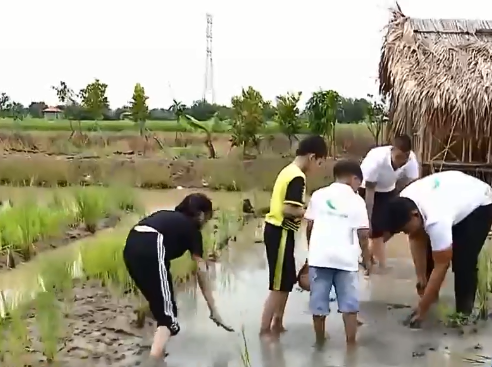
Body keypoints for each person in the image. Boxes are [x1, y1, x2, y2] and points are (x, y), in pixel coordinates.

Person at [123, 193, 231, 366]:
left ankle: (156, 346)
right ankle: (153, 361)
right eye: (208, 218)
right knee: (169, 316)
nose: (207, 223)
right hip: (151, 244)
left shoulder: (170, 217)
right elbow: (201, 272)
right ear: (202, 215)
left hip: (130, 247)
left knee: (159, 304)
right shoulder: (193, 230)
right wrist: (214, 310)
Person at [385, 171, 492, 327]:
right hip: (450, 195)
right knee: (430, 248)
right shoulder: (404, 202)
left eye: (405, 229)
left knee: (463, 261)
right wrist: (421, 277)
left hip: (479, 203)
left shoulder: (436, 220)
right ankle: (431, 299)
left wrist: (422, 309)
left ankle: (463, 314)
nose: (405, 233)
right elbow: (416, 237)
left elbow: (442, 264)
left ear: (415, 215)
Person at [260, 135, 328, 338]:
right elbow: (289, 208)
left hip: (281, 231)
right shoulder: (297, 176)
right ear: (312, 157)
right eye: (320, 163)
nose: (319, 168)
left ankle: (278, 323)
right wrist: (311, 212)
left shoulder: (289, 171)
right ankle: (265, 330)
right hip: (279, 230)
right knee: (278, 283)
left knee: (286, 280)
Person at [304, 160, 371, 345]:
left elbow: (309, 226)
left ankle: (319, 342)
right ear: (354, 178)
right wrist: (367, 260)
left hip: (320, 258)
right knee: (349, 305)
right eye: (359, 182)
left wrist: (312, 250)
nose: (359, 187)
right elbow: (363, 234)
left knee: (318, 303)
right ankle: (351, 344)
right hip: (346, 260)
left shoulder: (318, 195)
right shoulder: (357, 200)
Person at [359, 134, 419, 270]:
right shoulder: (376, 159)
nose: (400, 163)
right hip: (368, 189)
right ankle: (381, 267)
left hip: (389, 189)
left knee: (395, 224)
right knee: (377, 227)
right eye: (398, 158)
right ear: (393, 150)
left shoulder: (411, 160)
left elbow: (412, 185)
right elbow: (369, 192)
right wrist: (368, 220)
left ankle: (369, 253)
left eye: (404, 159)